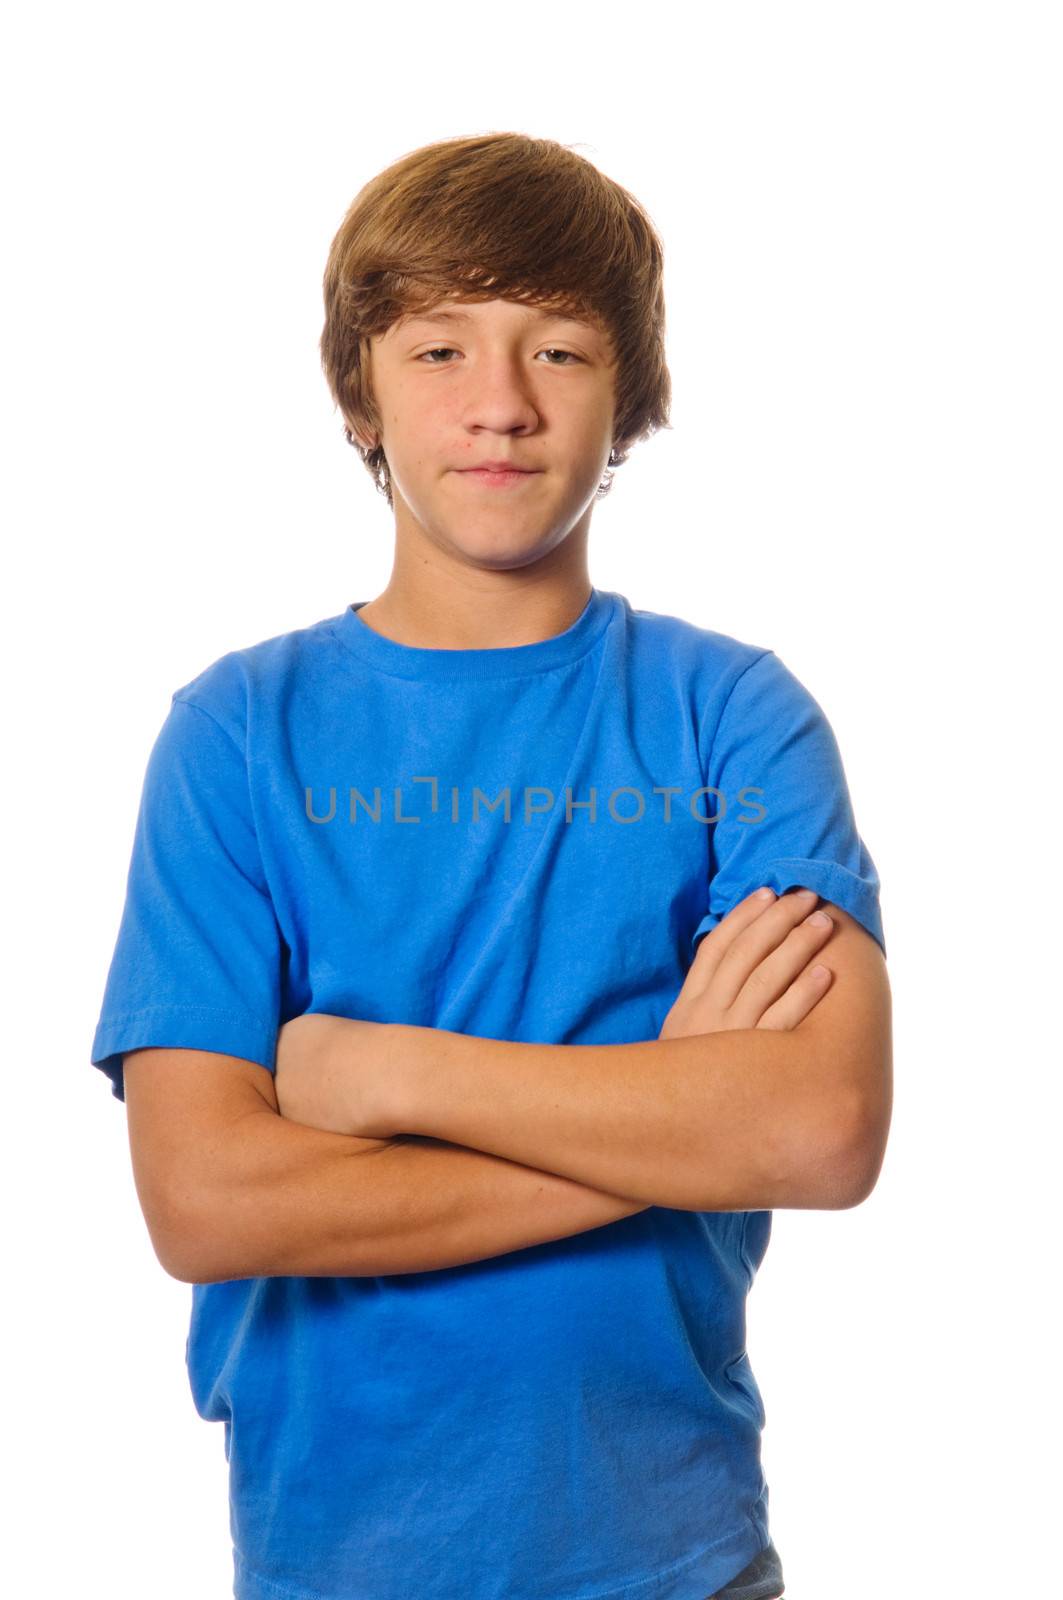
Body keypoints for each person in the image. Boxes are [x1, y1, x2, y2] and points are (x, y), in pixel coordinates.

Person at [90, 131, 891, 1600]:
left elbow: (821, 1126)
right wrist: (671, 1127)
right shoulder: (238, 735)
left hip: (682, 1563)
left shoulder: (732, 714)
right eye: (442, 348)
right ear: (361, 395)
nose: (503, 407)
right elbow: (207, 1202)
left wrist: (376, 1074)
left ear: (631, 397)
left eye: (564, 352)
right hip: (342, 1567)